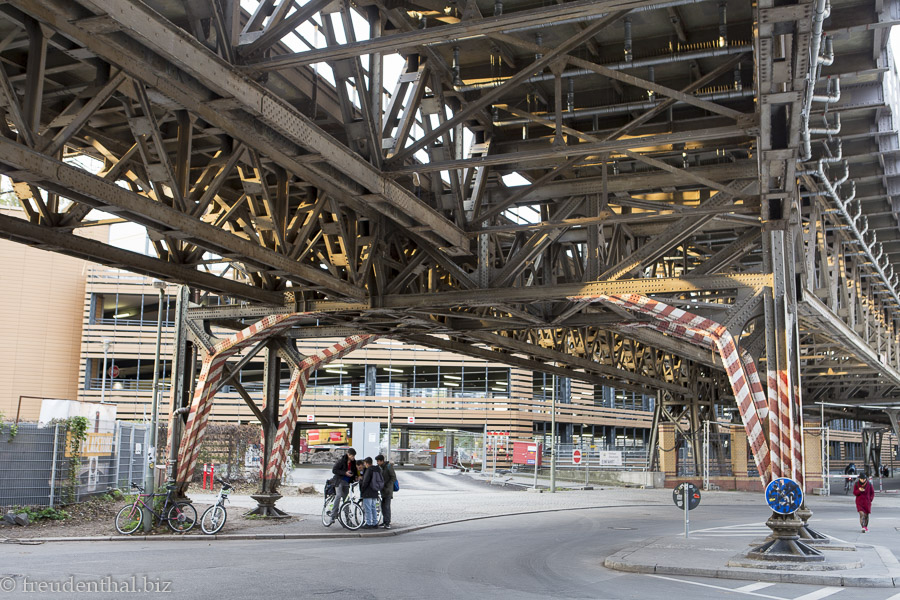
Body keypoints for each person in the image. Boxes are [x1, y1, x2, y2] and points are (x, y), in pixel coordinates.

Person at [326, 447, 358, 526]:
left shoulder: (353, 462)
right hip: (339, 481)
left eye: (354, 456)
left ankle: (348, 521)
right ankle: (332, 517)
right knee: (339, 495)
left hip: (347, 482)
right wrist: (345, 473)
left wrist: (355, 476)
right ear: (348, 454)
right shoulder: (341, 461)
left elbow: (355, 471)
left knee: (346, 500)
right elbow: (334, 470)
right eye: (352, 456)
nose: (353, 458)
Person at [359, 457, 383, 529]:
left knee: (368, 508)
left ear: (366, 463)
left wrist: (362, 489)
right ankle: (375, 523)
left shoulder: (369, 470)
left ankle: (368, 523)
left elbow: (365, 481)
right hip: (375, 491)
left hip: (368, 491)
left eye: (365, 463)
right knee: (373, 508)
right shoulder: (377, 469)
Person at [376, 454, 396, 530]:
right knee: (383, 506)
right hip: (383, 489)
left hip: (388, 490)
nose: (377, 463)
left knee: (387, 506)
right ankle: (385, 521)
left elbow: (393, 477)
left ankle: (387, 522)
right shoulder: (381, 467)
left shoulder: (388, 467)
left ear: (382, 461)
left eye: (378, 461)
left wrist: (388, 485)